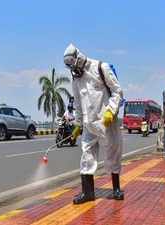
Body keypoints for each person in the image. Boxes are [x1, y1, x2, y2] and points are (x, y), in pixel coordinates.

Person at [64, 43, 124, 204]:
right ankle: (88, 193)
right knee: (86, 157)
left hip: (106, 122)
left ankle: (116, 189)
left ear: (79, 57)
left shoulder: (100, 68)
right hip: (89, 124)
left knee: (112, 155)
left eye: (73, 65)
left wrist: (111, 110)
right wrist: (77, 124)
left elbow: (117, 91)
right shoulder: (75, 79)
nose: (73, 69)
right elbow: (77, 102)